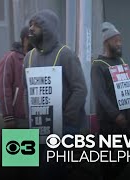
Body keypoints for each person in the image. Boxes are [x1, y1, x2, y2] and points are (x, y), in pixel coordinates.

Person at [23, 9, 87, 179]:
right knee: (31, 172)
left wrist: (66, 120)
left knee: (49, 173)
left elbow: (80, 89)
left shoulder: (65, 54)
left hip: (63, 129)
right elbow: (26, 91)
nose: (31, 29)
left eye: (36, 25)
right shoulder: (28, 57)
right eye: (30, 25)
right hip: (36, 128)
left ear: (47, 28)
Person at [91, 22, 130, 180]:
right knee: (107, 155)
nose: (119, 43)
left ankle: (112, 175)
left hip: (127, 117)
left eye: (120, 40)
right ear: (106, 42)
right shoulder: (98, 65)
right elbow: (100, 94)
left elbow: (128, 87)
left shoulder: (121, 62)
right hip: (109, 121)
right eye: (116, 40)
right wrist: (115, 115)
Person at [0, 26, 33, 128]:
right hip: (17, 119)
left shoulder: (36, 58)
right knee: (17, 144)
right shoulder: (10, 58)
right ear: (26, 39)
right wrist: (8, 117)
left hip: (37, 118)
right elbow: (3, 88)